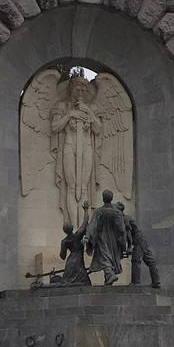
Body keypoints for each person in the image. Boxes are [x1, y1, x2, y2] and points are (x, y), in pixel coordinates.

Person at [50, 75, 102, 228]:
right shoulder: (62, 106)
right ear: (71, 89)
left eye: (83, 90)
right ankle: (74, 229)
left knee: (84, 188)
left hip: (86, 148)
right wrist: (70, 115)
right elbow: (55, 127)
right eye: (78, 89)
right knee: (72, 188)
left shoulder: (91, 108)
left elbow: (98, 129)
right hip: (69, 146)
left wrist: (88, 112)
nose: (81, 93)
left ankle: (84, 230)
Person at [84, 189, 129, 285]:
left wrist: (87, 236)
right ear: (112, 199)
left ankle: (110, 275)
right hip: (113, 240)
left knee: (105, 258)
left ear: (103, 199)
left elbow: (92, 225)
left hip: (102, 239)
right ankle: (108, 277)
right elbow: (121, 229)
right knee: (109, 258)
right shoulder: (117, 213)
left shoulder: (98, 212)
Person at [57, 201, 91, 286]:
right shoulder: (78, 235)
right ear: (72, 228)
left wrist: (63, 247)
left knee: (69, 281)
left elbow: (62, 256)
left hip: (71, 261)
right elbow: (85, 221)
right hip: (78, 260)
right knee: (85, 282)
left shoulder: (64, 241)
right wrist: (86, 209)